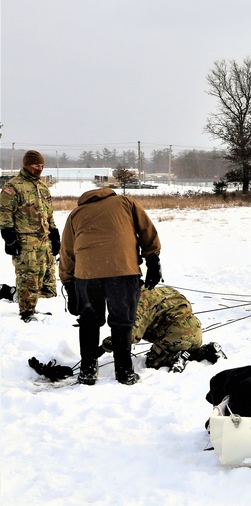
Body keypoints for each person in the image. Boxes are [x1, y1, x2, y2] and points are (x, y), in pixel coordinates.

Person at [60, 188, 161, 385]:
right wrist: (153, 260)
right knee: (122, 322)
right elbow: (146, 230)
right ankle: (124, 373)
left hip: (87, 274)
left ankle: (87, 371)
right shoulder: (126, 203)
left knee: (89, 321)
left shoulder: (76, 214)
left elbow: (67, 251)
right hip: (122, 270)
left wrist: (70, 285)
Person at [98, 285, 224, 372]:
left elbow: (129, 335)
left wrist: (107, 344)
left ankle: (174, 357)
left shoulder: (137, 302)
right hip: (195, 329)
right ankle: (207, 351)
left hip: (174, 335)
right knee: (187, 346)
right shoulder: (161, 290)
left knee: (153, 361)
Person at [0, 150, 59, 322]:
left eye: (42, 166)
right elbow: (4, 212)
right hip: (25, 240)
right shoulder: (13, 186)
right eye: (36, 165)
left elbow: (49, 214)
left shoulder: (42, 187)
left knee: (45, 278)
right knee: (28, 276)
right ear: (27, 165)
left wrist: (54, 235)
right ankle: (26, 311)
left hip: (44, 240)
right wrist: (8, 236)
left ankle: (30, 304)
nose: (39, 169)